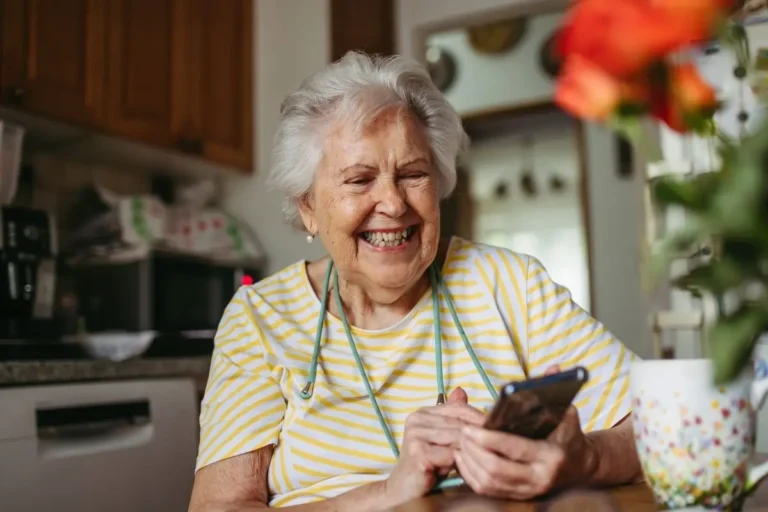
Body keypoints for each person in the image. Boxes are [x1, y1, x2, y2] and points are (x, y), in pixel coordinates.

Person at [188, 52, 641, 511]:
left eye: (413, 174)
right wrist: (389, 492)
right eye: (360, 180)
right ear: (307, 206)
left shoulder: (510, 284)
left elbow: (656, 425)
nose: (393, 202)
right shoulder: (260, 319)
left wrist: (584, 458)